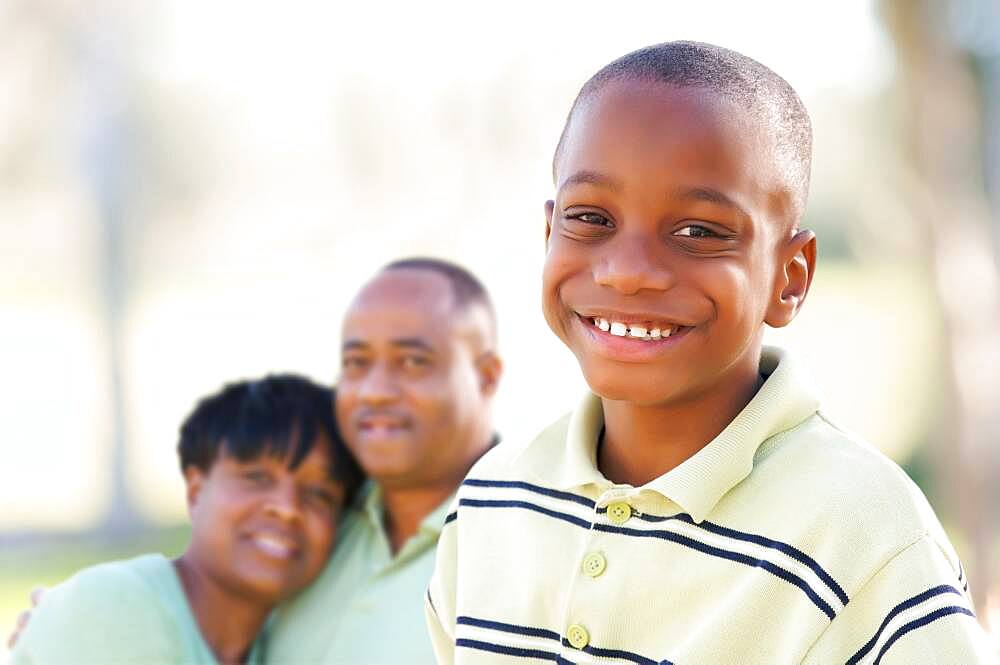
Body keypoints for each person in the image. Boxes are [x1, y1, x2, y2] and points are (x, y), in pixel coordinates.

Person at [425, 41, 994, 664]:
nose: (628, 273)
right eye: (591, 218)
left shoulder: (863, 534)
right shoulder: (490, 502)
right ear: (548, 233)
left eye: (697, 232)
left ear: (790, 277)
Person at [10, 375, 363, 664]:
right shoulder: (119, 608)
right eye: (256, 478)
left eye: (320, 494)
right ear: (196, 490)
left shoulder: (264, 647)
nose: (287, 507)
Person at [265, 258, 502, 664]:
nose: (374, 392)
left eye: (412, 362)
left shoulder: (533, 539)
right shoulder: (300, 528)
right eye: (356, 363)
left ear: (486, 376)